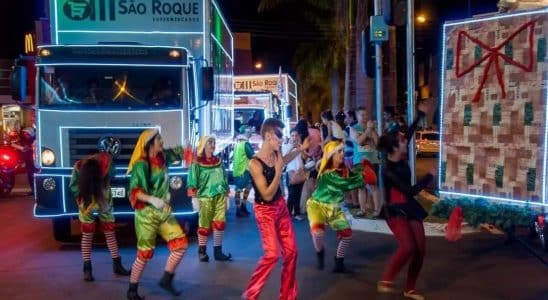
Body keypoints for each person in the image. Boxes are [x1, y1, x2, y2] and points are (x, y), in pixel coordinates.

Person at [376, 102, 435, 300]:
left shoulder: (398, 154)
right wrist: (428, 178)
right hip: (394, 209)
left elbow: (408, 131)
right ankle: (387, 279)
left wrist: (420, 115)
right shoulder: (388, 170)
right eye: (402, 141)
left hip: (408, 206)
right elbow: (409, 190)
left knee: (420, 250)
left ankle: (409, 288)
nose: (406, 141)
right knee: (408, 247)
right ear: (394, 147)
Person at [242, 118, 305, 300]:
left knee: (292, 252)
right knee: (272, 254)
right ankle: (251, 294)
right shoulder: (254, 164)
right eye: (279, 136)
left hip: (280, 207)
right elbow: (267, 195)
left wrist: (298, 149)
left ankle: (287, 296)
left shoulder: (277, 156)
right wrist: (278, 172)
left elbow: (283, 160)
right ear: (268, 136)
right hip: (265, 211)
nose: (281, 139)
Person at [126, 129, 188, 300]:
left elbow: (180, 152)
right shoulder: (141, 164)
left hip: (164, 213)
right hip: (146, 215)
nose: (162, 141)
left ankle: (166, 279)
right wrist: (152, 199)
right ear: (150, 143)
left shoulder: (162, 158)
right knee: (144, 254)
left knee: (180, 245)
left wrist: (190, 147)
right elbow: (135, 191)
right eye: (159, 139)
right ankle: (132, 290)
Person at [307, 141, 376, 273]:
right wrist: (364, 177)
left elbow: (351, 175)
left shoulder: (343, 169)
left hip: (334, 207)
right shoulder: (328, 174)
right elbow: (345, 184)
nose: (343, 153)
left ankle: (339, 263)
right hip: (317, 206)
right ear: (331, 154)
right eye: (339, 151)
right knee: (318, 232)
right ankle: (320, 252)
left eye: (343, 151)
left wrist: (363, 167)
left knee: (347, 234)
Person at [69, 152, 131, 282]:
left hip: (103, 199)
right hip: (86, 199)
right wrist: (80, 199)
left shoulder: (107, 164)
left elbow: (111, 174)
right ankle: (87, 268)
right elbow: (74, 187)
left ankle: (117, 265)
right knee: (87, 234)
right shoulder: (79, 167)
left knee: (109, 232)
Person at [187, 135, 232, 262]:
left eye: (213, 142)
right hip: (205, 198)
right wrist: (194, 198)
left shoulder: (218, 161)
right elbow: (192, 180)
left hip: (220, 197)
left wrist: (226, 195)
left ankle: (218, 252)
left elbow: (224, 178)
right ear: (203, 145)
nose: (212, 145)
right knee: (204, 225)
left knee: (219, 224)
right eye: (209, 143)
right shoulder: (196, 163)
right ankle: (202, 252)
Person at [350, 107, 381, 217]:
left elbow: (378, 144)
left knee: (373, 186)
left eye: (366, 115)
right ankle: (362, 210)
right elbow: (358, 141)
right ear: (357, 116)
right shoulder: (353, 128)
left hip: (372, 161)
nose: (364, 117)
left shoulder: (372, 129)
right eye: (362, 115)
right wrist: (368, 130)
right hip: (359, 161)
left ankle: (377, 211)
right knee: (361, 187)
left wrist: (372, 131)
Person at [282, 128, 308, 221]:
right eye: (292, 135)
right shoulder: (286, 146)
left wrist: (301, 149)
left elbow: (305, 157)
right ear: (290, 136)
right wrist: (291, 147)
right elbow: (284, 158)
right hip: (291, 172)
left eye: (296, 135)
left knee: (298, 193)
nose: (294, 137)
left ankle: (296, 213)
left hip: (300, 172)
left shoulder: (300, 146)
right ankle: (288, 213)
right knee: (291, 194)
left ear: (298, 136)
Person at [232, 126, 254, 218]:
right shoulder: (245, 143)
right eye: (248, 130)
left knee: (243, 188)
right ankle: (240, 208)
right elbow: (251, 155)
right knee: (242, 189)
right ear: (245, 132)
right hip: (244, 171)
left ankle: (242, 207)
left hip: (237, 170)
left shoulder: (238, 143)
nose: (251, 131)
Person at [11, 127, 37, 195]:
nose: (25, 135)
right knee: (30, 176)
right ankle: (33, 190)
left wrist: (30, 148)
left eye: (27, 134)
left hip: (34, 161)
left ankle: (36, 190)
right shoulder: (23, 140)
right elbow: (19, 146)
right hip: (28, 161)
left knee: (34, 176)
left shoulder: (35, 140)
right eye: (24, 134)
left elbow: (34, 147)